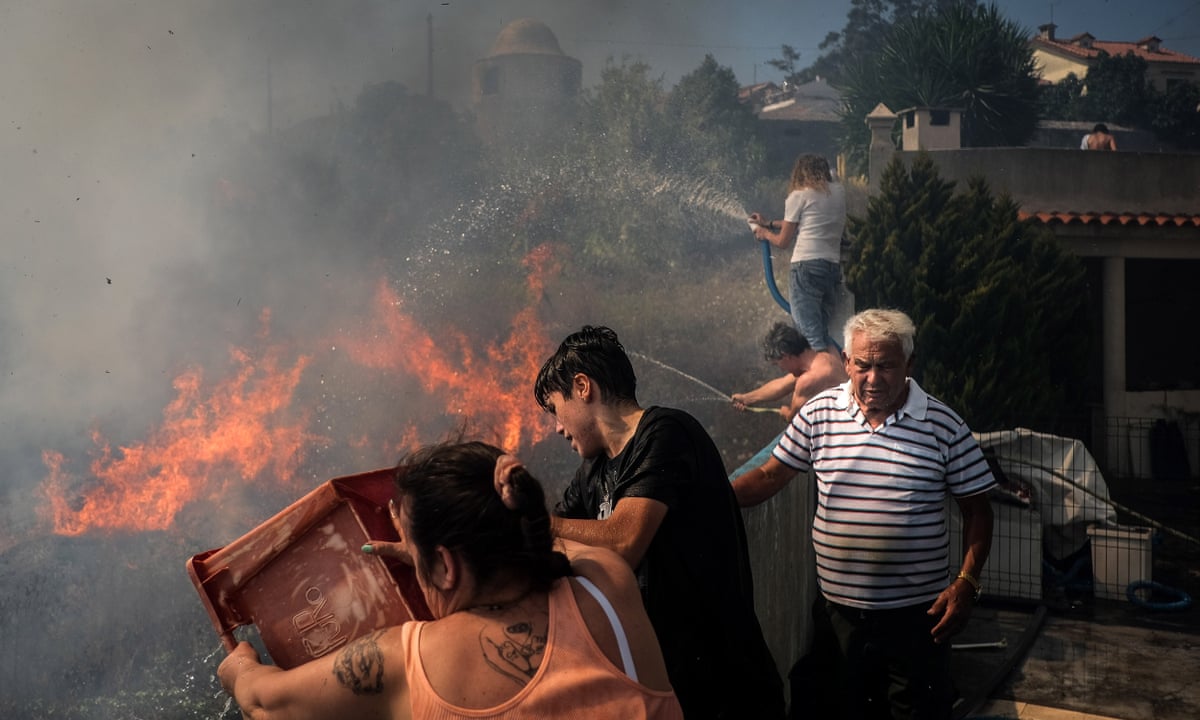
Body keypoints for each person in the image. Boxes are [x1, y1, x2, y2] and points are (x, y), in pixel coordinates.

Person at [217, 440, 684, 720]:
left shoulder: (409, 659)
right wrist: (432, 552)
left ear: (446, 566)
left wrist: (239, 666)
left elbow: (264, 703)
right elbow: (548, 539)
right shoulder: (605, 584)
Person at [731, 308, 995, 720]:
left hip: (919, 620)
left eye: (886, 366)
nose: (873, 379)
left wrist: (966, 583)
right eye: (863, 365)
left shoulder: (944, 425)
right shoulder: (819, 413)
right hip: (839, 617)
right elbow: (768, 476)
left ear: (908, 365)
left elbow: (978, 510)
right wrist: (708, 497)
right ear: (847, 363)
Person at [534, 325, 785, 720]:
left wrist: (533, 524)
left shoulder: (667, 432)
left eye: (555, 409)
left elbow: (622, 542)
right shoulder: (592, 472)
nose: (558, 427)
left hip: (724, 688)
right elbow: (548, 535)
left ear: (583, 387)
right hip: (659, 688)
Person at [749, 154, 847, 352]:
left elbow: (783, 241)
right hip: (831, 269)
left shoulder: (798, 196)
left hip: (806, 269)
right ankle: (834, 373)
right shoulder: (838, 192)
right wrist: (768, 222)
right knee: (820, 332)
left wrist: (765, 233)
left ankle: (823, 376)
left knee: (809, 337)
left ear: (800, 173)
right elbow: (807, 222)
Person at [732, 320, 849, 421]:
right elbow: (782, 385)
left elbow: (792, 417)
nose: (782, 369)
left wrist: (784, 412)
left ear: (786, 356)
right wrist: (746, 398)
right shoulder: (823, 355)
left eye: (778, 364)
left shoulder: (808, 380)